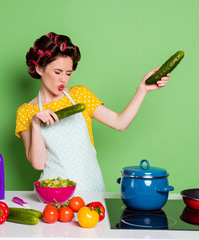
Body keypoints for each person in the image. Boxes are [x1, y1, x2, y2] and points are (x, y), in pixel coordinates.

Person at [15, 32, 170, 192]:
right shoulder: (26, 111)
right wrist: (35, 124)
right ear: (40, 68)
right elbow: (38, 164)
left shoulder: (79, 95)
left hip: (91, 189)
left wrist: (142, 89)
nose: (63, 79)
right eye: (57, 72)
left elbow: (120, 123)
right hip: (53, 192)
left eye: (68, 73)